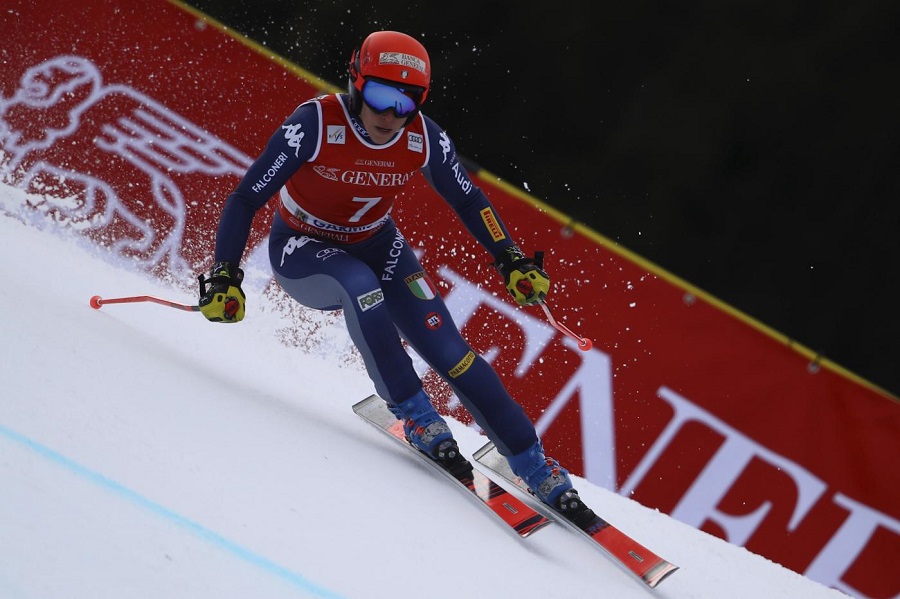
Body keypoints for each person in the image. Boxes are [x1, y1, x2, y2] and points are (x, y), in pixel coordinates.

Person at [197, 30, 595, 526]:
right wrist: (225, 274)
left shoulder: (423, 136)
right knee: (360, 286)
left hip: (378, 243)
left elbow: (468, 199)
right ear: (355, 84)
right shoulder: (315, 123)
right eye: (380, 96)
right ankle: (419, 417)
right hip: (303, 250)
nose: (389, 115)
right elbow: (244, 198)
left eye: (405, 102)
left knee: (451, 350)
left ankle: (534, 464)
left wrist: (510, 258)